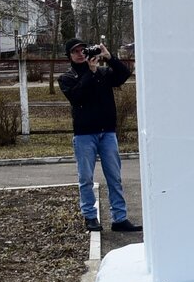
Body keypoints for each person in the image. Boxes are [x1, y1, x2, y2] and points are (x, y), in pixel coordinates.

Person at [59, 38, 140, 233]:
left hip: (107, 133)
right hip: (84, 135)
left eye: (82, 50)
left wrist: (109, 57)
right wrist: (91, 71)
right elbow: (76, 97)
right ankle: (90, 217)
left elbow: (123, 75)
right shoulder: (67, 78)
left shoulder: (103, 73)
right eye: (75, 51)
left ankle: (119, 218)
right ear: (69, 56)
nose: (80, 54)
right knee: (86, 178)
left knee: (114, 177)